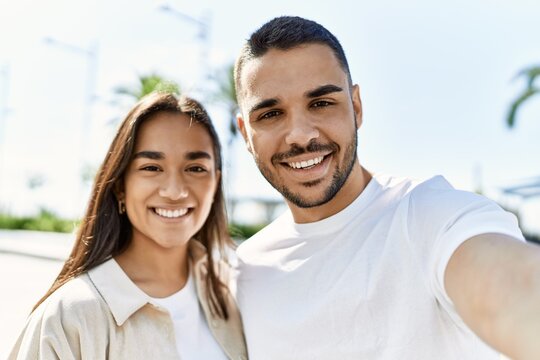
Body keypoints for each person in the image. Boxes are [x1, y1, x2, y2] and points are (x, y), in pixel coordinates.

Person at [233, 16, 540, 360]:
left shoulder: (428, 217)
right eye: (271, 114)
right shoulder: (243, 273)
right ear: (245, 133)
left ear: (356, 107)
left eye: (321, 103)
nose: (301, 135)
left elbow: (510, 287)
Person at [9, 93, 247, 360]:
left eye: (195, 168)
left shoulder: (240, 294)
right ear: (121, 186)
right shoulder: (70, 317)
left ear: (215, 183)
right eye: (152, 167)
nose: (175, 191)